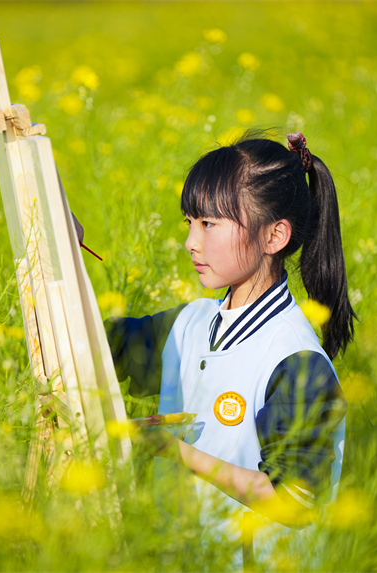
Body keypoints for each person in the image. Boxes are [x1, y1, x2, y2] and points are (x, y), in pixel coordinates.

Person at [103, 131, 355, 567]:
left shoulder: (295, 358)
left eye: (209, 224)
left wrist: (173, 450)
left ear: (274, 236)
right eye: (190, 222)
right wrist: (61, 243)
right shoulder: (189, 325)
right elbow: (95, 344)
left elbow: (293, 502)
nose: (191, 242)